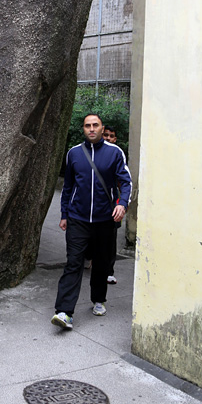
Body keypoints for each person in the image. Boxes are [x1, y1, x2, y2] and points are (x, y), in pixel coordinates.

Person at [51, 113, 131, 329]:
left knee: (101, 264)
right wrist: (64, 214)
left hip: (105, 219)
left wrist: (122, 203)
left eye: (95, 125)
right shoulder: (74, 153)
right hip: (78, 219)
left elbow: (126, 181)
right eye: (88, 126)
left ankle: (99, 300)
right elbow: (67, 187)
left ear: (101, 127)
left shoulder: (115, 153)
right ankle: (64, 312)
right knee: (73, 263)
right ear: (83, 129)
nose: (92, 129)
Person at [103, 125, 120, 285]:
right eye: (106, 135)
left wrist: (122, 203)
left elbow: (123, 182)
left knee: (111, 238)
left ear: (115, 139)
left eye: (111, 136)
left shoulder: (118, 156)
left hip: (113, 204)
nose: (108, 138)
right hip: (93, 205)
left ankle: (109, 271)